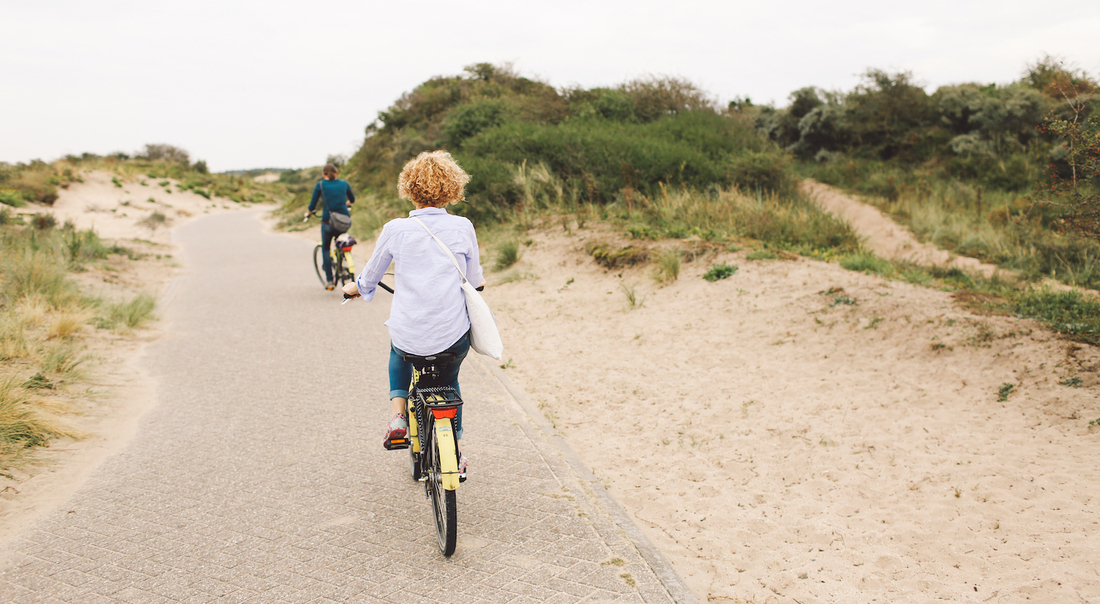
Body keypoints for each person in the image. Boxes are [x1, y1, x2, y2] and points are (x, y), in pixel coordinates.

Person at [342, 150, 485, 477]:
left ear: (409, 187)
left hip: (411, 337)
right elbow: (474, 280)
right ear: (453, 187)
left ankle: (398, 418)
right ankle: (457, 453)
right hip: (452, 338)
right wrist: (480, 283)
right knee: (450, 381)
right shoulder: (463, 227)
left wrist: (355, 288)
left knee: (398, 348)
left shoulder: (395, 229)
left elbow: (369, 277)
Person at [305, 164, 355, 290]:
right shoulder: (344, 183)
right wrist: (346, 203)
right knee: (341, 242)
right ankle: (344, 263)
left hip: (328, 222)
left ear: (324, 174)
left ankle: (330, 280)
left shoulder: (320, 185)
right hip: (343, 221)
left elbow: (312, 205)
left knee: (326, 248)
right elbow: (352, 199)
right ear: (336, 173)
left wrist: (309, 213)